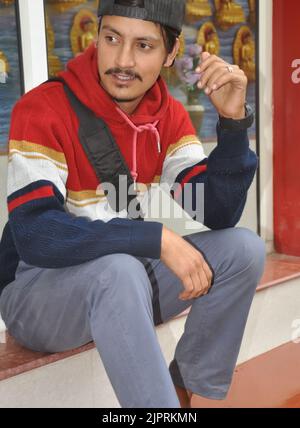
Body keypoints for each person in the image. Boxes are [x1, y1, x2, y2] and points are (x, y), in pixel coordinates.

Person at [0, 0, 265, 408]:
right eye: (112, 39)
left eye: (143, 46)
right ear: (98, 35)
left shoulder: (167, 117)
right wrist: (155, 238)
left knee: (242, 249)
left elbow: (215, 212)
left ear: (171, 53)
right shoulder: (43, 109)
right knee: (120, 269)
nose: (122, 60)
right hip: (37, 292)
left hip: (119, 280)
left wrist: (232, 126)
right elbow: (37, 234)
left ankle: (179, 389)